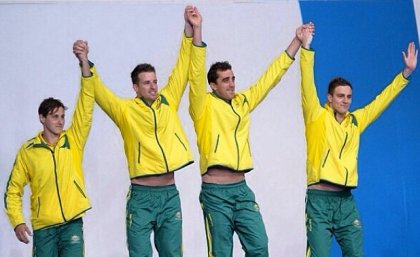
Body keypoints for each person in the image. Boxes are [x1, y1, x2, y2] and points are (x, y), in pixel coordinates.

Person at [72, 6, 205, 257]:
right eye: (147, 82)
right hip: (142, 197)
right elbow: (99, 92)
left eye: (155, 81)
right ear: (135, 87)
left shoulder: (168, 99)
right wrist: (84, 62)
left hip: (169, 195)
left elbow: (182, 66)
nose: (153, 87)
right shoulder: (125, 111)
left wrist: (190, 29)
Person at [188, 23, 312, 257]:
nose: (232, 83)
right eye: (225, 80)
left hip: (241, 190)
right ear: (213, 85)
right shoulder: (202, 105)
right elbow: (195, 74)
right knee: (221, 252)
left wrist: (296, 41)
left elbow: (270, 78)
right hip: (215, 192)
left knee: (259, 246)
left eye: (233, 78)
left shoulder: (242, 102)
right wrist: (197, 31)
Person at [298, 24, 417, 257]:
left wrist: (405, 74)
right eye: (340, 96)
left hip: (346, 202)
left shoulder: (356, 120)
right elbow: (306, 84)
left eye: (349, 96)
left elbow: (381, 100)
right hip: (319, 201)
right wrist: (306, 47)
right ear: (329, 98)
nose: (345, 100)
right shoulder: (316, 116)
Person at [4, 42, 95, 256]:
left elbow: (86, 104)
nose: (60, 121)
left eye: (62, 116)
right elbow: (13, 190)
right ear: (42, 118)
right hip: (44, 228)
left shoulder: (73, 140)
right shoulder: (28, 151)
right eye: (55, 116)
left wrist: (84, 63)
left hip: (72, 223)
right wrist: (17, 221)